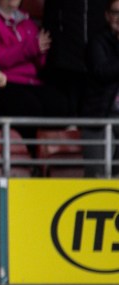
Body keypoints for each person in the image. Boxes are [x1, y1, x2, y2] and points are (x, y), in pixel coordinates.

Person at [0, 0, 69, 142]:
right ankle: (31, 156)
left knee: (60, 104)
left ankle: (50, 158)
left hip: (29, 82)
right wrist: (31, 48)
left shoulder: (26, 20)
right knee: (28, 107)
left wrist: (43, 51)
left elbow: (40, 62)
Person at [80, 0, 119, 177]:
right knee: (97, 175)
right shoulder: (97, 42)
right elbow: (101, 71)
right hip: (99, 117)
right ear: (107, 16)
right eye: (116, 12)